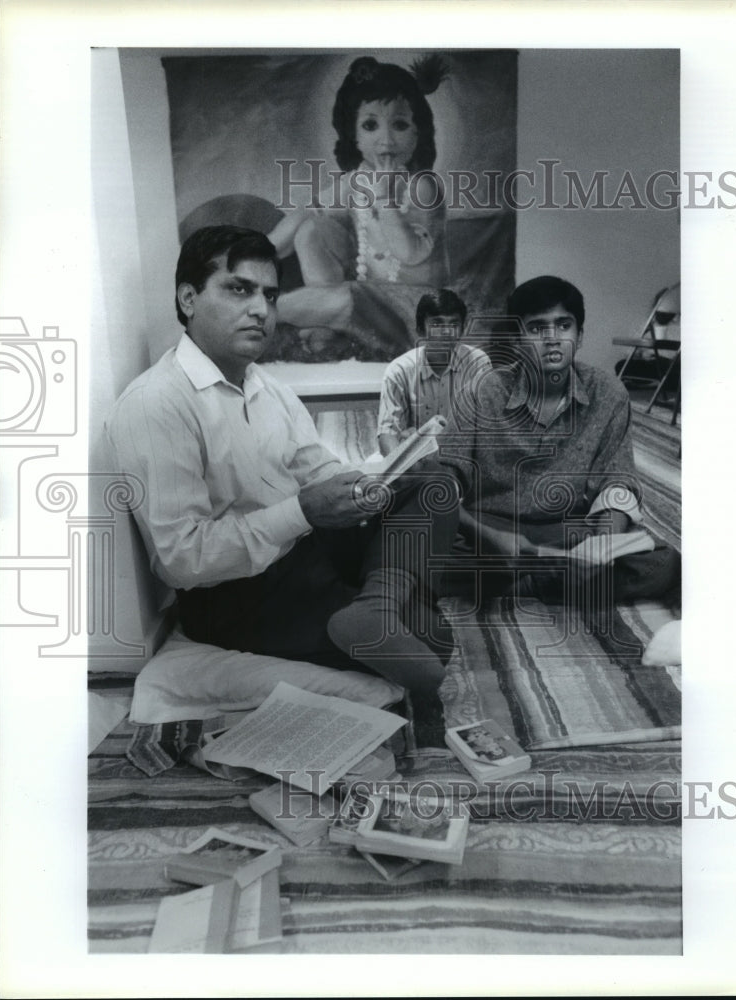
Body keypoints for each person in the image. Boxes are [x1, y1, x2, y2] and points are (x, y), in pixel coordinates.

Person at [107, 226, 461, 743]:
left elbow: (319, 470)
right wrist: (304, 511)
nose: (260, 309)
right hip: (236, 599)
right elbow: (182, 558)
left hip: (309, 552)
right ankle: (380, 603)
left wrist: (371, 484)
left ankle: (376, 604)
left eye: (269, 295)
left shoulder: (267, 386)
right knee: (433, 639)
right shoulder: (156, 404)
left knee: (432, 479)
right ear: (188, 298)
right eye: (238, 289)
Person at [440, 275, 680, 605]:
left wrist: (603, 547)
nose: (552, 339)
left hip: (567, 529)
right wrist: (486, 536)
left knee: (661, 562)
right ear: (516, 340)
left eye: (563, 325)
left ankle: (521, 585)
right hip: (491, 528)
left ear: (579, 336)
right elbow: (445, 477)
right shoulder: (483, 391)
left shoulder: (607, 392)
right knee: (415, 544)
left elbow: (616, 481)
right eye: (537, 328)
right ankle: (550, 582)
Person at [268, 55, 450, 359]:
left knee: (346, 298)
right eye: (370, 125)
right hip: (367, 295)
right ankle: (325, 320)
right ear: (354, 135)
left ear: (418, 133)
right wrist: (261, 251)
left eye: (401, 124)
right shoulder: (357, 180)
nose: (386, 139)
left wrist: (383, 198)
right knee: (309, 228)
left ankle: (262, 312)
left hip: (416, 308)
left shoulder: (422, 185)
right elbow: (309, 211)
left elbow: (409, 253)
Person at [376, 288, 493, 457]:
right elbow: (388, 432)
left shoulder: (478, 364)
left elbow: (487, 427)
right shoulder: (399, 370)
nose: (446, 332)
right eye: (437, 324)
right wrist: (398, 470)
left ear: (463, 329)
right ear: (420, 330)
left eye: (454, 324)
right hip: (415, 457)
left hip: (463, 458)